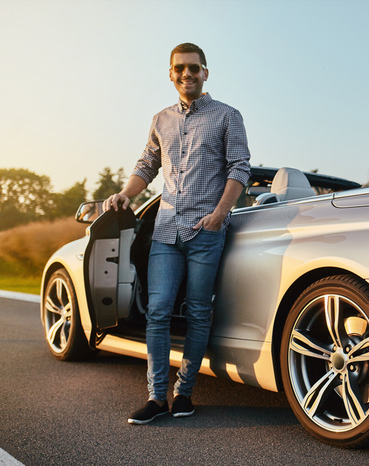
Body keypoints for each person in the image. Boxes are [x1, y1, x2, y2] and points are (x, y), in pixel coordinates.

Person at [103, 42, 251, 425]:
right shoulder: (161, 119)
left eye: (194, 68)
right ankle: (156, 398)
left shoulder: (227, 116)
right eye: (180, 68)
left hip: (206, 230)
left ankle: (184, 394)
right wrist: (125, 193)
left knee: (199, 312)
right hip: (166, 231)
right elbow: (148, 163)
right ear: (171, 74)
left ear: (206, 72)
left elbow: (239, 168)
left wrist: (220, 215)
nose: (187, 74)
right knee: (157, 311)